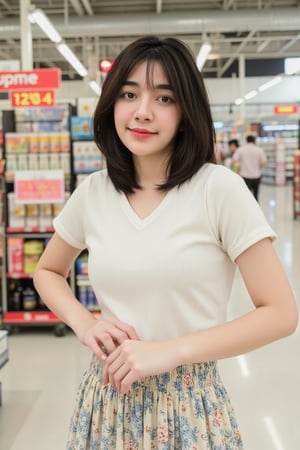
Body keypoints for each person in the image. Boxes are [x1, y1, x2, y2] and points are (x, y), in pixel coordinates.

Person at [33, 36, 297, 450]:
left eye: (164, 98)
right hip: (107, 402)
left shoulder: (218, 190)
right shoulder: (94, 192)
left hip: (189, 409)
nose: (142, 111)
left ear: (186, 110)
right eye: (129, 93)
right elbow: (47, 271)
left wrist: (171, 351)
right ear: (111, 104)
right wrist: (86, 325)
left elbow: (281, 313)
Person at [232, 135, 267, 201]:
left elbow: (234, 160)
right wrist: (258, 167)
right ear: (254, 141)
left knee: (246, 196)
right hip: (256, 176)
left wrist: (239, 168)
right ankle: (256, 209)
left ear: (247, 140)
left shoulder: (241, 149)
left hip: (245, 176)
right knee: (256, 195)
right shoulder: (259, 150)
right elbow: (264, 163)